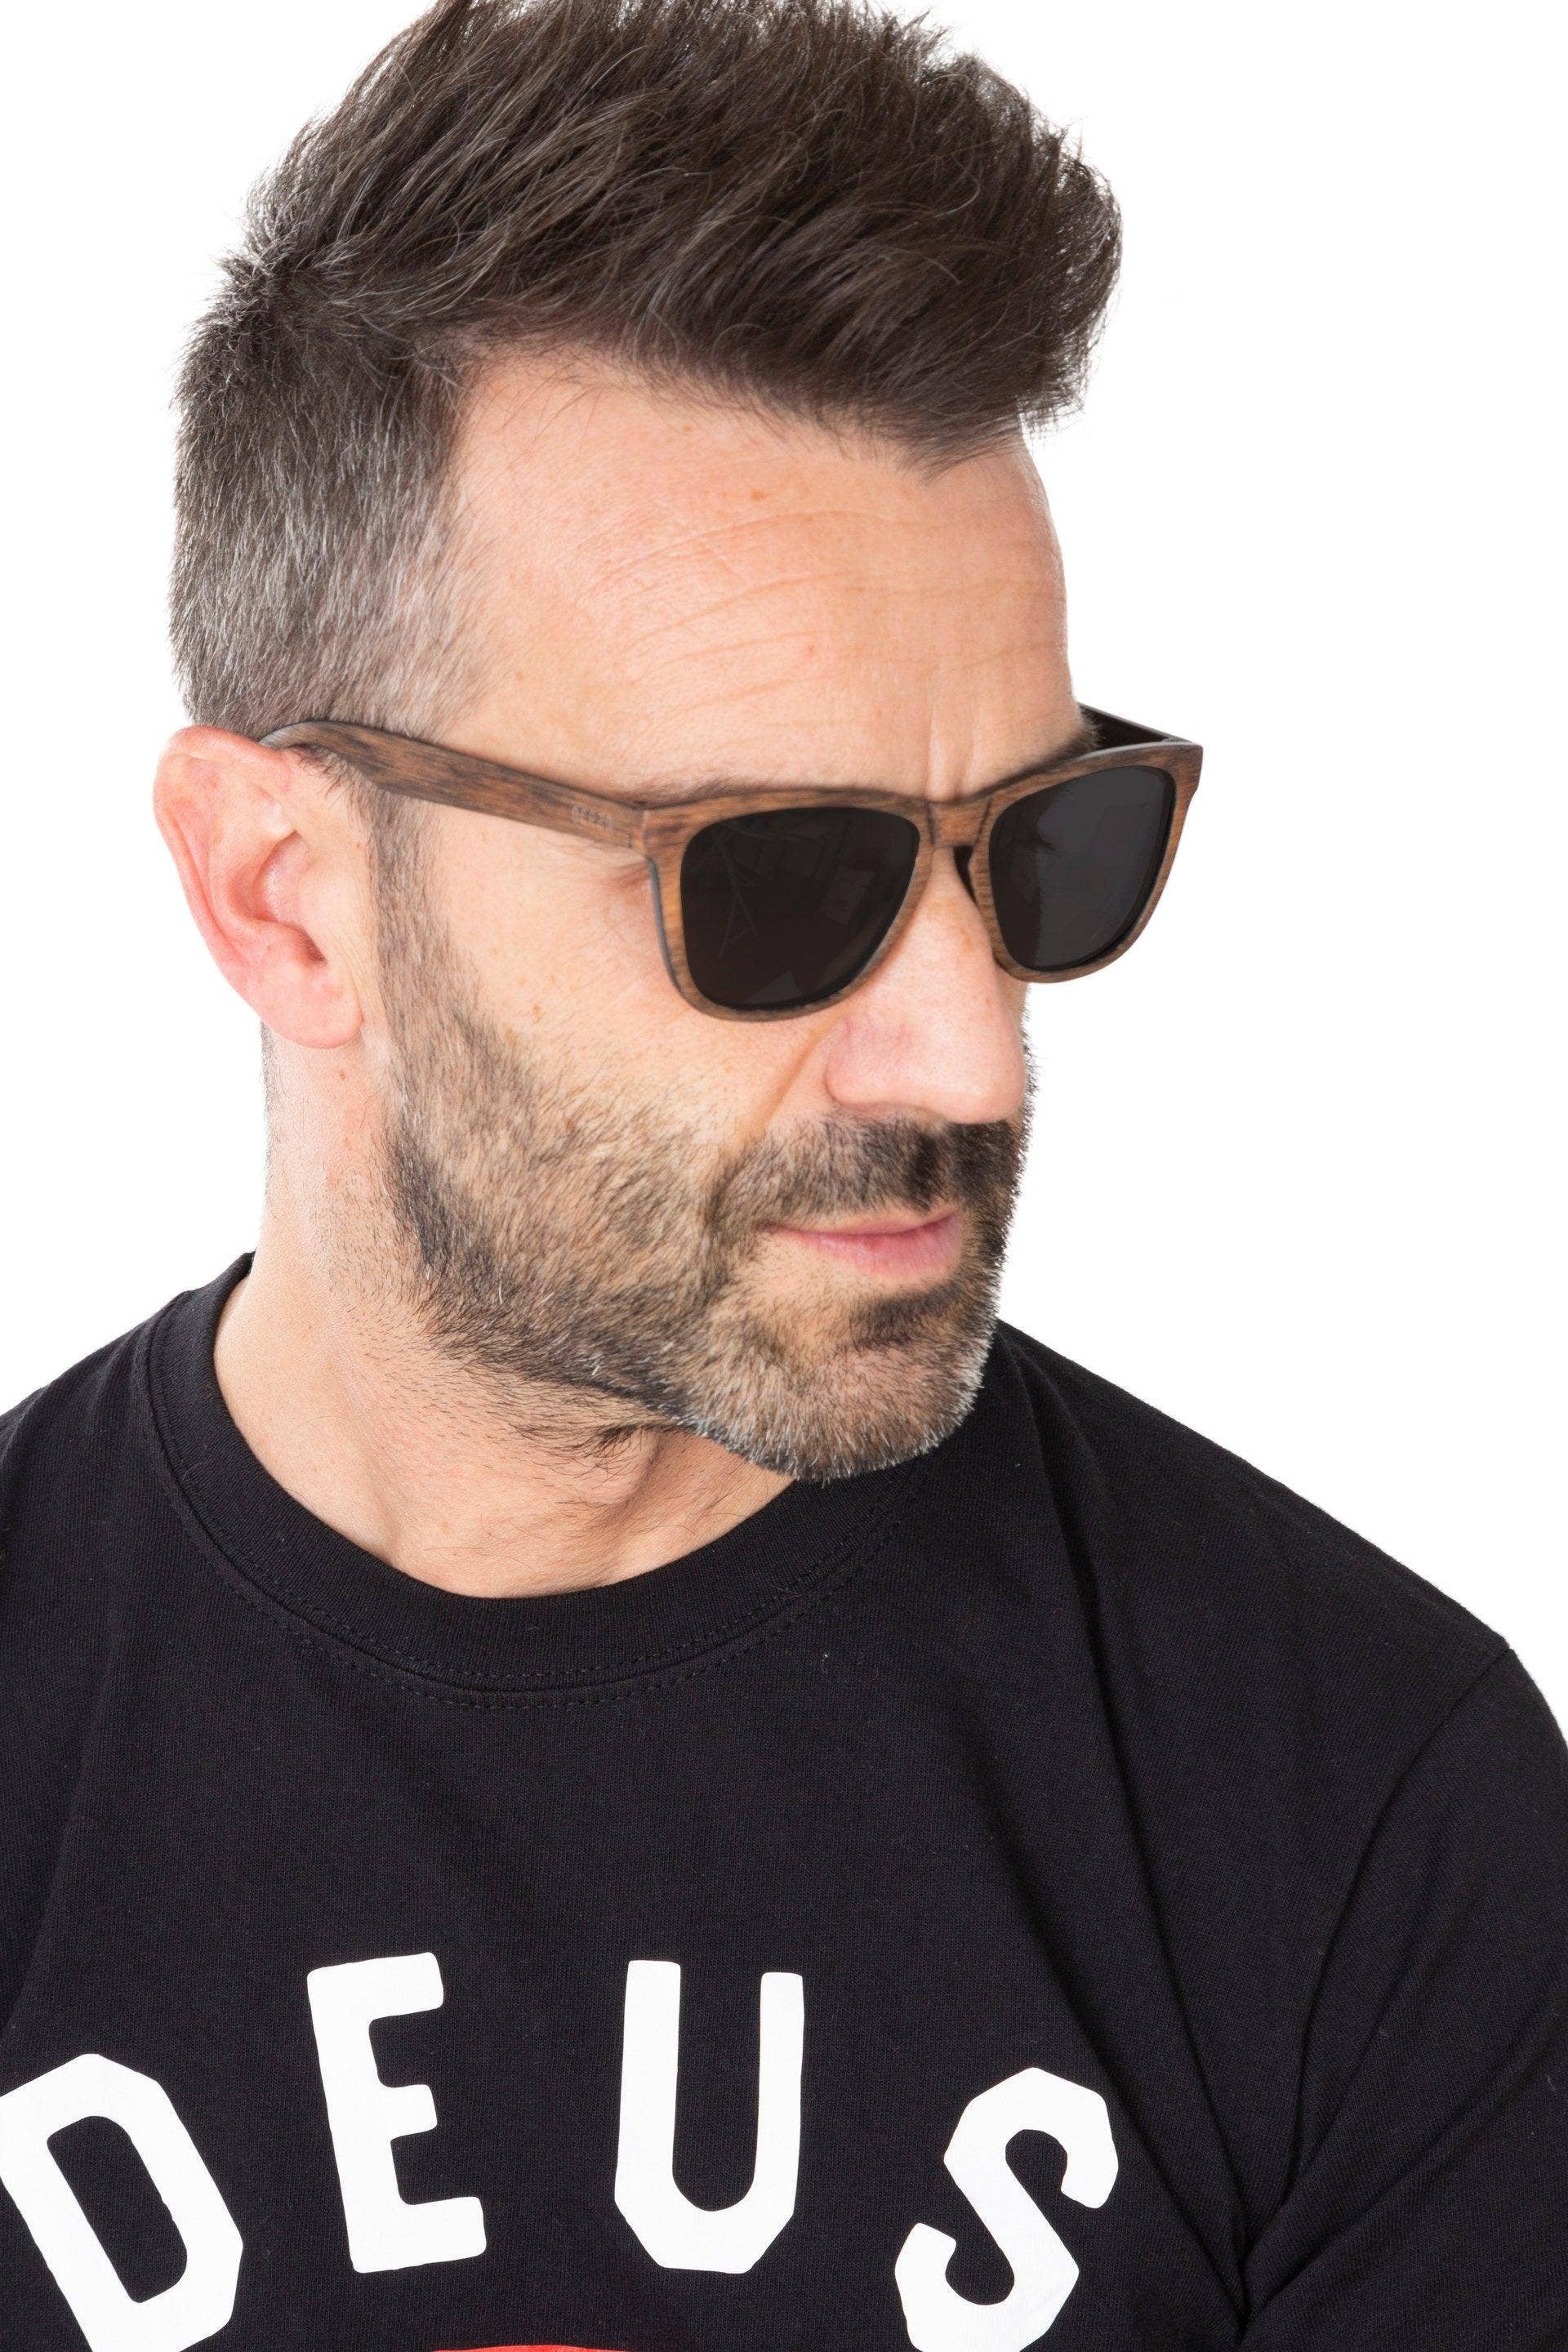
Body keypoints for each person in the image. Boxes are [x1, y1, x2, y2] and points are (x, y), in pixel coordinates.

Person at [2, 0, 1564, 2343]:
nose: (973, 1050)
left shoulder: (1356, 1817)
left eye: (1040, 847)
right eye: (773, 880)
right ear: (286, 899)